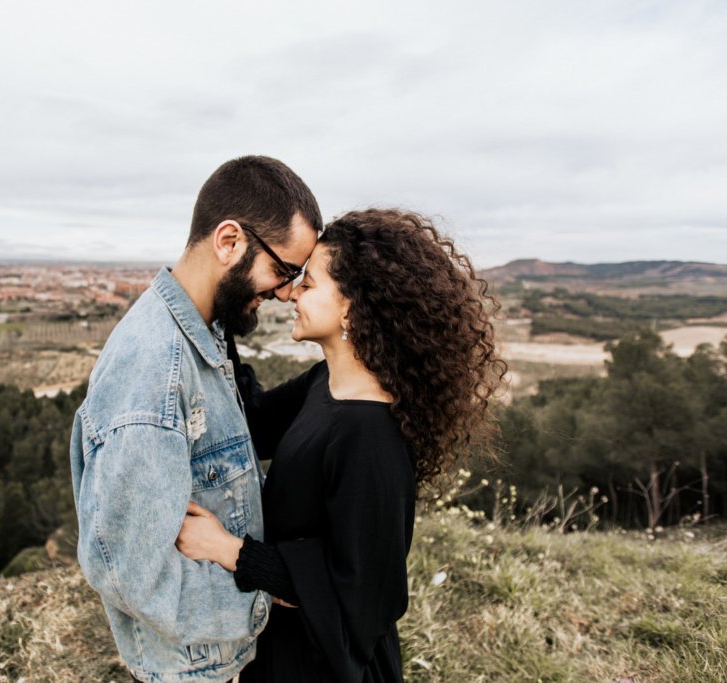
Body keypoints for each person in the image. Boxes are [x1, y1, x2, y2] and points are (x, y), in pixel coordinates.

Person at [176, 208, 506, 682]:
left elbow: (358, 596)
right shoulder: (327, 383)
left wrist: (228, 549)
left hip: (321, 667)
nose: (290, 293)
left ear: (352, 304)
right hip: (285, 647)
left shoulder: (370, 436)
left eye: (308, 285)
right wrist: (223, 304)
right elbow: (253, 420)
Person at [69, 155, 322, 683]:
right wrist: (260, 601)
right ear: (229, 241)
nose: (283, 291)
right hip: (192, 670)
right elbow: (127, 570)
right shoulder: (153, 370)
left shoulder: (206, 332)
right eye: (282, 270)